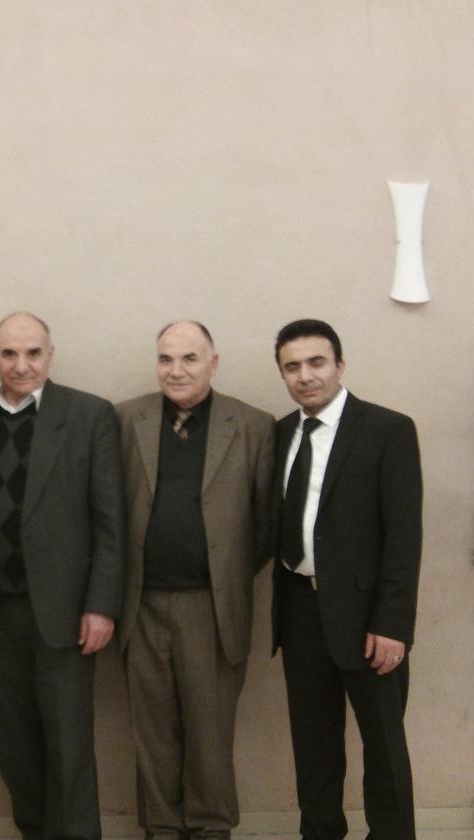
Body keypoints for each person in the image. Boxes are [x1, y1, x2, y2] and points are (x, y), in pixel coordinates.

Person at [115, 321, 274, 840]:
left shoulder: (252, 425)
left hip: (212, 607)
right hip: (141, 606)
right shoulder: (125, 420)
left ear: (213, 362)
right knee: (152, 732)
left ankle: (210, 827)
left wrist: (223, 574)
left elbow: (266, 525)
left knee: (209, 731)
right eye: (166, 359)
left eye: (189, 358)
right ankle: (161, 827)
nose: (176, 370)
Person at [0, 311, 125, 840]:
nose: (22, 365)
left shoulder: (88, 415)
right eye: (9, 354)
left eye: (33, 353)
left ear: (50, 355)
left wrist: (101, 604)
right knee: (12, 742)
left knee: (68, 743)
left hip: (65, 612)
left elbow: (110, 520)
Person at [271, 318, 422, 840]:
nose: (305, 375)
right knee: (313, 747)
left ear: (339, 364)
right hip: (299, 610)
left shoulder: (387, 430)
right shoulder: (280, 434)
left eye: (316, 362)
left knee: (383, 748)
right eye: (292, 366)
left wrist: (393, 624)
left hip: (368, 619)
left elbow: (404, 537)